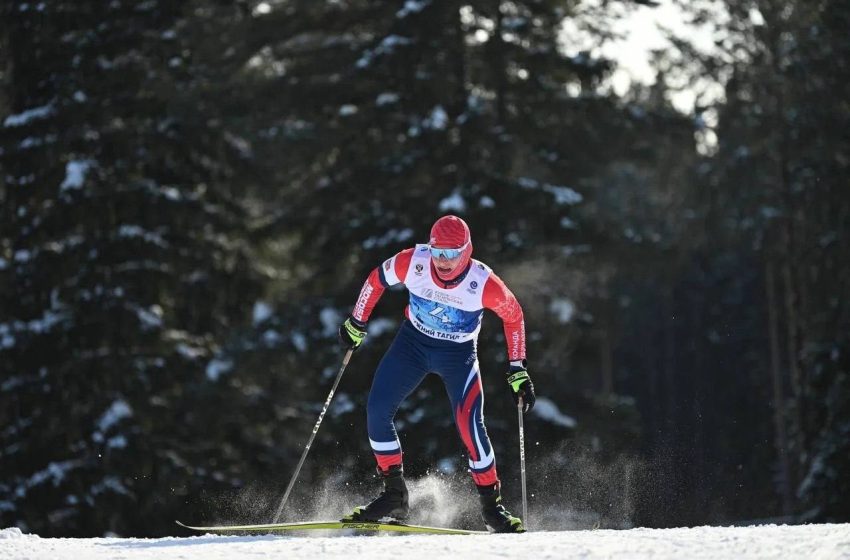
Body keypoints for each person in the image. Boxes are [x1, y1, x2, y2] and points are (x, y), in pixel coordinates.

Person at [337, 215, 536, 533]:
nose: (443, 261)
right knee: (376, 410)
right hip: (412, 345)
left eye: (452, 253)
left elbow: (514, 316)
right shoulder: (412, 262)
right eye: (437, 252)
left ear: (466, 251)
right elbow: (376, 280)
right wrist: (357, 322)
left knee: (470, 426)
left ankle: (492, 508)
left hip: (458, 354)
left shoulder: (483, 283)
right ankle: (394, 496)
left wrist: (517, 369)